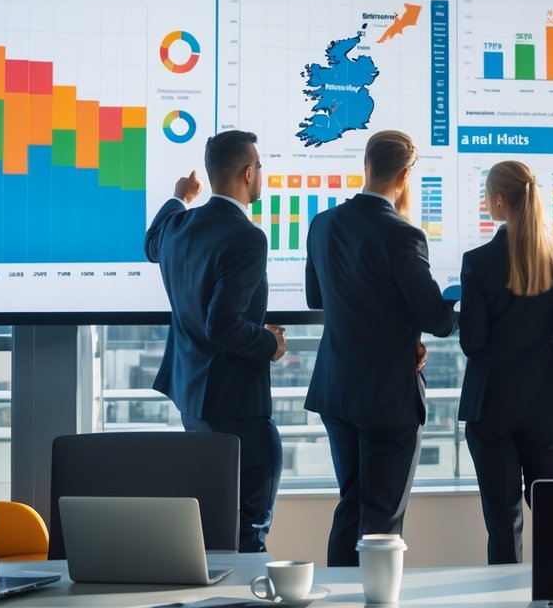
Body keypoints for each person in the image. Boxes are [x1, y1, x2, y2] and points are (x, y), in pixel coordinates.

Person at [304, 130, 455, 566]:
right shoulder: (403, 235)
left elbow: (318, 299)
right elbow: (438, 320)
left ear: (366, 164)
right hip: (387, 398)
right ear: (406, 174)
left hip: (337, 390)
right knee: (382, 519)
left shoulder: (323, 224)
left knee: (351, 506)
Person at [145, 129, 288, 553]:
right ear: (248, 173)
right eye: (260, 166)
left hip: (193, 401)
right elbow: (223, 325)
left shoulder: (179, 225)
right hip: (236, 404)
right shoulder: (246, 236)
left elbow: (150, 244)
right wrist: (269, 344)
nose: (261, 174)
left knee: (216, 527)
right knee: (247, 532)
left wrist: (178, 197)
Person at [458, 160, 553, 565]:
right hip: (546, 398)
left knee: (502, 519)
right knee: (549, 510)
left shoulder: (478, 261)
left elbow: (473, 343)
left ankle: (504, 596)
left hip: (490, 402)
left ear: (497, 199)